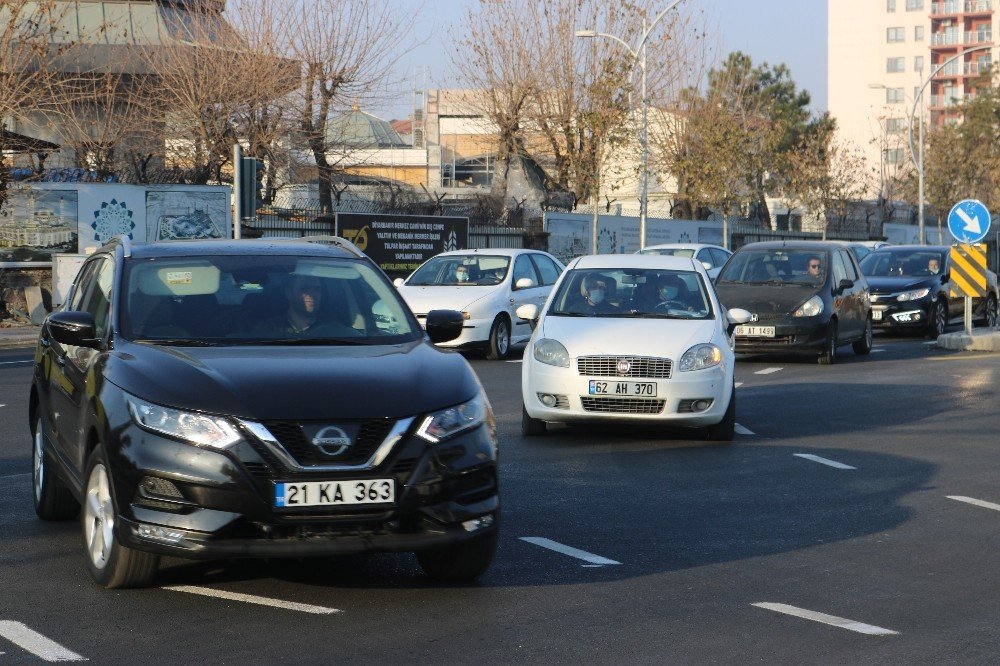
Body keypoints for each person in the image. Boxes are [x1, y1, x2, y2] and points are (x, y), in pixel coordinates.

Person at [253, 273, 354, 336]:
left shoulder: (334, 331)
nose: (312, 294)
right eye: (304, 289)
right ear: (289, 293)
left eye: (317, 289)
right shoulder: (267, 330)